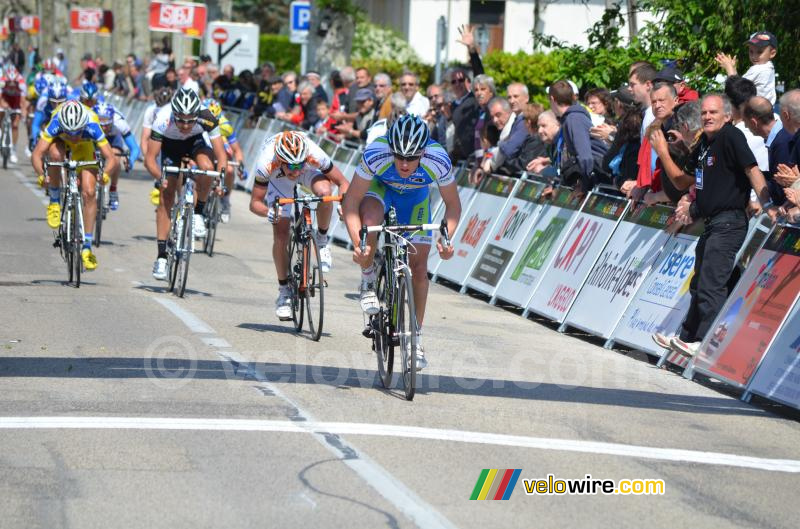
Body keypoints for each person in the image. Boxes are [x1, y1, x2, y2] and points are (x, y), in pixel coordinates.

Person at [651, 94, 779, 357]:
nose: (707, 117)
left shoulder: (731, 137)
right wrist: (687, 199)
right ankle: (686, 336)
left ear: (728, 116)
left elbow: (752, 170)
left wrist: (768, 205)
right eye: (705, 113)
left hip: (730, 222)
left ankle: (704, 341)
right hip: (711, 222)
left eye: (713, 112)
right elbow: (689, 181)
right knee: (700, 282)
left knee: (712, 283)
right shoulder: (703, 145)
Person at [342, 114, 461, 370]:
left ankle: (416, 339)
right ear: (390, 149)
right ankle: (368, 278)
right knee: (370, 218)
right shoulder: (376, 153)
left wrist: (447, 238)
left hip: (414, 200)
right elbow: (351, 201)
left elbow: (453, 205)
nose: (405, 164)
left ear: (423, 152)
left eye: (411, 157)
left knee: (419, 270)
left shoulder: (437, 159)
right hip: (380, 190)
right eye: (399, 156)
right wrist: (358, 242)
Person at [248, 131, 350, 319]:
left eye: (299, 164)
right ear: (280, 160)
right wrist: (268, 212)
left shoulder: (313, 154)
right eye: (292, 167)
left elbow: (343, 183)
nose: (296, 171)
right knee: (281, 234)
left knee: (325, 192)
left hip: (311, 171)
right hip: (278, 180)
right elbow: (254, 203)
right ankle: (284, 291)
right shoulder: (266, 163)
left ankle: (321, 240)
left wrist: (345, 203)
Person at [144, 88, 228, 280]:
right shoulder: (163, 119)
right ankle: (162, 256)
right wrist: (160, 178)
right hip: (170, 147)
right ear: (174, 113)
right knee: (167, 193)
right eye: (180, 119)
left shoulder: (207, 117)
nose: (184, 125)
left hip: (195, 143)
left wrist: (220, 180)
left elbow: (221, 156)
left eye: (190, 120)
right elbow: (150, 159)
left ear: (197, 115)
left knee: (207, 167)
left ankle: (198, 212)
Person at [31, 100, 119, 270]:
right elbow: (36, 155)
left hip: (85, 146)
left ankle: (87, 247)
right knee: (55, 154)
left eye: (77, 132)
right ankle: (55, 201)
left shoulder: (92, 123)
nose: (73, 136)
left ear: (83, 126)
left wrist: (105, 175)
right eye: (69, 132)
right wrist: (42, 176)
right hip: (60, 143)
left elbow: (112, 158)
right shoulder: (56, 121)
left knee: (89, 192)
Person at [548, 80, 608, 195]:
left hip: (601, 175)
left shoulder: (574, 119)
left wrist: (583, 186)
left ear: (552, 99)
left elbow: (585, 156)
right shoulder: (571, 118)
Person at [93, 101, 142, 210]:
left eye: (107, 124)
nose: (104, 128)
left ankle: (113, 189)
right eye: (100, 124)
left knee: (115, 157)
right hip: (94, 137)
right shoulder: (89, 121)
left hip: (113, 138)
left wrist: (131, 161)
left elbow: (135, 148)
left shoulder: (119, 123)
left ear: (112, 120)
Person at [715, 31, 777, 104]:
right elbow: (741, 83)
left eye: (759, 52)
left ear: (772, 53)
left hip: (754, 112)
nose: (754, 56)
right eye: (751, 51)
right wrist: (734, 69)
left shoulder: (759, 69)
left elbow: (735, 88)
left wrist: (729, 68)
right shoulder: (769, 67)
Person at [140, 86, 174, 206]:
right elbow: (145, 137)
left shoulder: (174, 109)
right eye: (159, 106)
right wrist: (147, 157)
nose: (162, 109)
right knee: (155, 158)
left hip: (171, 137)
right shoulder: (150, 110)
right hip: (157, 137)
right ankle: (158, 182)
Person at [448, 67, 479, 163]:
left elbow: (480, 74)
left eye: (461, 80)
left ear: (468, 82)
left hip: (473, 157)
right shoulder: (452, 105)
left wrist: (473, 53)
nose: (457, 84)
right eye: (454, 82)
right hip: (457, 157)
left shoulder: (475, 99)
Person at [0, 64, 26, 164]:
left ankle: (13, 150)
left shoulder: (21, 83)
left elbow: (23, 101)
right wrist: (2, 104)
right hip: (4, 100)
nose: (11, 85)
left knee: (15, 125)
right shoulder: (2, 81)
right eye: (9, 83)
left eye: (13, 83)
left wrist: (23, 111)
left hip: (16, 102)